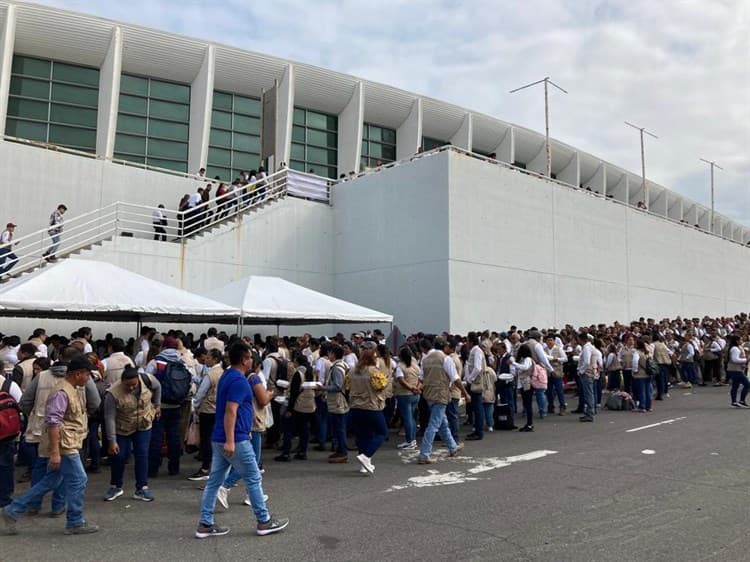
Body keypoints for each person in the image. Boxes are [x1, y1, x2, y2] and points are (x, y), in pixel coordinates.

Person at [196, 342, 288, 539]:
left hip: (220, 437)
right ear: (245, 360)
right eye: (250, 357)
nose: (252, 360)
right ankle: (264, 520)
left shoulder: (228, 375)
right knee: (253, 477)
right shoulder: (238, 380)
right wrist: (230, 440)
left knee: (214, 481)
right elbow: (231, 411)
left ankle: (205, 523)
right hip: (235, 438)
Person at [2, 356, 99, 535]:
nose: (88, 378)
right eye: (87, 374)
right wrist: (55, 452)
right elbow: (53, 423)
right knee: (79, 480)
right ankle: (75, 521)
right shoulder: (62, 392)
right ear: (78, 374)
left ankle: (12, 511)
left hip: (67, 442)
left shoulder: (71, 388)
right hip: (64, 444)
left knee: (51, 480)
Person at [103, 367, 161, 502]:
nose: (131, 388)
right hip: (122, 428)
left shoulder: (148, 380)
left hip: (144, 424)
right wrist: (112, 441)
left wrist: (157, 405)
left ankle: (142, 488)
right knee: (119, 456)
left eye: (134, 385)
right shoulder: (112, 393)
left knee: (142, 455)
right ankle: (115, 486)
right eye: (127, 385)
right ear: (122, 382)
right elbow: (109, 417)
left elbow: (158, 387)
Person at [417, 337, 468, 464]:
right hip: (441, 394)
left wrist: (418, 388)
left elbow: (421, 378)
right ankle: (424, 454)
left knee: (442, 422)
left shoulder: (426, 359)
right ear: (444, 347)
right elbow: (455, 378)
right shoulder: (446, 359)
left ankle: (452, 447)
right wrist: (465, 392)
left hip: (429, 394)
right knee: (434, 424)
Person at [348, 341, 388, 475]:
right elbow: (380, 386)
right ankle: (366, 456)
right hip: (371, 406)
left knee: (363, 435)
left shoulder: (352, 370)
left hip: (355, 406)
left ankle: (364, 464)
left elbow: (347, 386)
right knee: (382, 432)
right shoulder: (373, 371)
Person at [275, 352, 317, 462]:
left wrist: (289, 408)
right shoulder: (311, 371)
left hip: (298, 404)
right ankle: (303, 451)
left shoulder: (298, 373)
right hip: (309, 403)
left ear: (297, 362)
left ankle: (286, 453)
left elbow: (294, 392)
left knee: (288, 429)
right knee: (304, 428)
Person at [189, 349, 223, 480]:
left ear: (215, 359)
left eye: (208, 357)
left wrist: (195, 405)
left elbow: (201, 393)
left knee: (206, 440)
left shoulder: (210, 375)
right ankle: (218, 468)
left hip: (207, 410)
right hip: (219, 410)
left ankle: (205, 468)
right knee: (217, 440)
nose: (205, 359)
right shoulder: (223, 373)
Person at [0, 360, 22, 508]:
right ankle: (4, 497)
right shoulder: (9, 385)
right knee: (5, 465)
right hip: (6, 432)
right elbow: (21, 403)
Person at [324, 344, 349, 463]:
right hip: (337, 400)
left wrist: (324, 388)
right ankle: (339, 450)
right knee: (337, 427)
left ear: (333, 354)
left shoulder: (337, 368)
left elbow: (338, 386)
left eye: (330, 353)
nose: (328, 355)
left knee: (339, 428)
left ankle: (343, 452)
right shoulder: (341, 365)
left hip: (337, 400)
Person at [394, 345, 420, 450]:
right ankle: (412, 440)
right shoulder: (415, 364)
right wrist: (417, 388)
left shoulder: (400, 366)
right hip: (415, 395)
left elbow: (400, 380)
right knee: (412, 418)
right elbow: (420, 377)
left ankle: (410, 441)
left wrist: (411, 388)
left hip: (404, 394)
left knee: (407, 418)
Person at [510, 344, 535, 432]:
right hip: (523, 383)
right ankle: (528, 423)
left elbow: (525, 367)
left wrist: (514, 363)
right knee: (527, 404)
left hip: (526, 383)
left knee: (528, 404)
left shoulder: (527, 359)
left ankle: (530, 424)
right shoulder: (524, 359)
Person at [726, 335, 749, 408]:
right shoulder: (735, 349)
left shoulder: (736, 348)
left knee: (735, 385)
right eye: (740, 340)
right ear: (737, 341)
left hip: (734, 369)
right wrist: (746, 360)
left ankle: (734, 402)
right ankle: (742, 401)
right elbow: (735, 359)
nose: (742, 341)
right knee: (747, 384)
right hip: (735, 369)